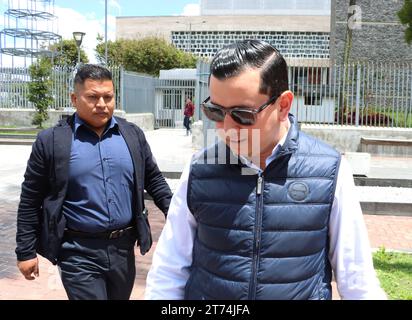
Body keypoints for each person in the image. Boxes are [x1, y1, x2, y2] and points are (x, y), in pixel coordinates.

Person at [145, 40, 386, 300]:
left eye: (243, 115)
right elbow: (168, 271)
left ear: (283, 105)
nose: (226, 127)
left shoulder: (329, 171)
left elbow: (357, 279)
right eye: (215, 111)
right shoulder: (199, 169)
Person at [15, 64, 172, 300]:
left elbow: (155, 180)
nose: (102, 104)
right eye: (92, 97)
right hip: (77, 251)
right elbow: (30, 199)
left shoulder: (132, 134)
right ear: (74, 98)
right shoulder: (51, 141)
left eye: (108, 97)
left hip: (123, 248)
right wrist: (25, 251)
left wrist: (178, 215)